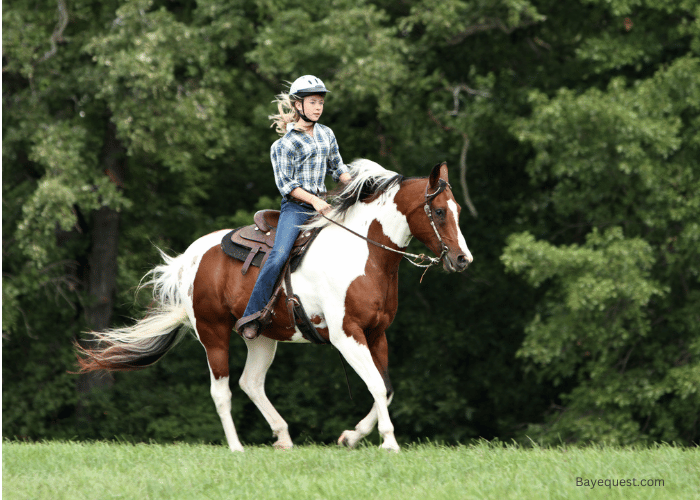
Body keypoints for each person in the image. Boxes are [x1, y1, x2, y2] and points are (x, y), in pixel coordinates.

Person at [235, 75, 352, 340]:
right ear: (298, 105)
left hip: (325, 206)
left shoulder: (327, 134)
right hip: (297, 209)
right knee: (278, 256)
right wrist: (315, 201)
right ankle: (254, 314)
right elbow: (287, 185)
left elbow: (339, 168)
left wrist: (357, 186)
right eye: (313, 102)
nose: (318, 107)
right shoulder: (283, 145)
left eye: (321, 102)